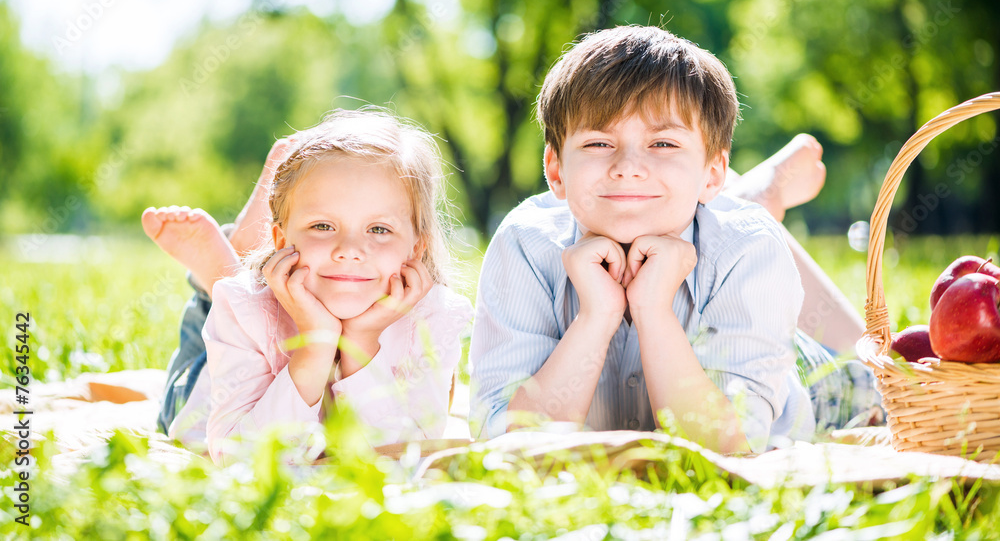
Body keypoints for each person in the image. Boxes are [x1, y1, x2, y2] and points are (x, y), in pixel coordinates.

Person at [469, 25, 881, 454]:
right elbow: (506, 446)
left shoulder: (749, 248)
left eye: (663, 142)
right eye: (598, 142)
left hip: (805, 377)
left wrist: (653, 310)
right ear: (555, 171)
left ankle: (755, 196)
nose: (627, 166)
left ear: (712, 172)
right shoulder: (525, 244)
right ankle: (753, 191)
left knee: (884, 366)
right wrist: (596, 317)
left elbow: (728, 450)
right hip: (701, 221)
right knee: (705, 208)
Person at [143, 109, 473, 465]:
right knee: (178, 399)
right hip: (205, 397)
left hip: (250, 302)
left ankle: (230, 259)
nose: (349, 251)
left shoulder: (435, 317)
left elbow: (402, 457)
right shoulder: (244, 307)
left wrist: (360, 342)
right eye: (323, 226)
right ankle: (216, 280)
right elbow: (239, 458)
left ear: (416, 247)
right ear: (282, 240)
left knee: (231, 289)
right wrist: (315, 346)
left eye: (379, 229)